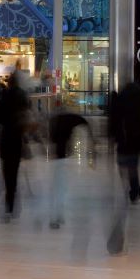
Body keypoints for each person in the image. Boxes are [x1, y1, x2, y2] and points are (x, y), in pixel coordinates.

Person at [106, 67, 140, 253]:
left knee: (131, 164)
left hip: (130, 137)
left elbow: (115, 116)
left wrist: (114, 137)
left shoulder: (125, 92)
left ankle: (135, 189)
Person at [0, 69, 31, 219]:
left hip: (5, 135)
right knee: (14, 167)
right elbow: (27, 111)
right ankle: (11, 197)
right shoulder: (22, 95)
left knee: (6, 167)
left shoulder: (2, 95)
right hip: (17, 135)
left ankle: (9, 195)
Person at [47, 98, 90, 228]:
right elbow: (83, 122)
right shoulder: (68, 120)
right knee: (60, 187)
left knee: (58, 186)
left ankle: (57, 215)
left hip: (58, 158)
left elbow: (52, 138)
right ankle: (57, 215)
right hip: (62, 158)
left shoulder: (55, 121)